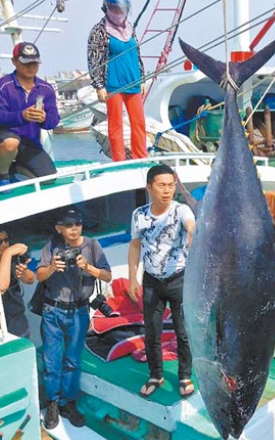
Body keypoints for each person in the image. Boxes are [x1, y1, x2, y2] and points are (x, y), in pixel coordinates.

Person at [36, 209, 112, 430]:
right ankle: (52, 403)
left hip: (79, 311)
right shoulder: (51, 246)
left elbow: (107, 275)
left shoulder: (92, 246)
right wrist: (52, 268)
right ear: (59, 228)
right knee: (52, 362)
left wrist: (87, 266)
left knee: (72, 361)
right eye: (68, 225)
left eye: (77, 224)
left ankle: (68, 403)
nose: (74, 229)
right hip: (53, 311)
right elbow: (39, 276)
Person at [127, 164, 196, 398]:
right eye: (161, 185)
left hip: (180, 280)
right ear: (149, 188)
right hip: (151, 281)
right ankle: (156, 375)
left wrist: (193, 233)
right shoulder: (139, 215)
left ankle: (185, 375)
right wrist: (132, 279)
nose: (167, 190)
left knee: (184, 331)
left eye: (171, 185)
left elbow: (191, 224)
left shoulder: (181, 210)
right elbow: (135, 246)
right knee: (152, 331)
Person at [0, 42, 60, 188]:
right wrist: (22, 116)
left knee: (49, 178)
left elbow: (54, 120)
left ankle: (14, 169)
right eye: (26, 63)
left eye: (34, 62)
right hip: (1, 136)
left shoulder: (46, 89)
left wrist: (44, 118)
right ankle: (3, 174)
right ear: (14, 62)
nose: (31, 67)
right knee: (10, 143)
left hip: (29, 142)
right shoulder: (1, 86)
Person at [87, 0, 148, 162]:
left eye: (123, 9)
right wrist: (99, 85)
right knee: (115, 126)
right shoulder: (99, 30)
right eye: (116, 9)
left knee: (139, 123)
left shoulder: (130, 28)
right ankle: (119, 160)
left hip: (133, 81)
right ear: (107, 8)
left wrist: (142, 79)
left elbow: (137, 54)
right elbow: (94, 60)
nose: (119, 13)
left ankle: (140, 157)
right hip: (113, 84)